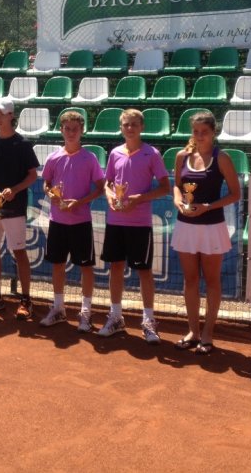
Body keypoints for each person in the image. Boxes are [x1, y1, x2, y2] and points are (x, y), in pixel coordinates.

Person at [171, 112, 241, 355]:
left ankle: (208, 333)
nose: (200, 136)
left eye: (205, 132)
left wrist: (208, 207)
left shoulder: (222, 158)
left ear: (213, 133)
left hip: (212, 227)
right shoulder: (182, 156)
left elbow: (235, 194)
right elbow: (177, 186)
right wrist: (178, 201)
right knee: (190, 280)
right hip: (185, 225)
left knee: (212, 281)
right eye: (196, 131)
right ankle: (193, 331)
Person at [99, 108, 171, 343]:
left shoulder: (152, 154)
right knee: (115, 267)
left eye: (134, 124)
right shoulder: (115, 153)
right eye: (126, 125)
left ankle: (149, 321)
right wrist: (110, 196)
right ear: (121, 128)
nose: (130, 128)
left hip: (140, 223)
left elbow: (165, 188)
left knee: (144, 271)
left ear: (142, 127)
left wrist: (139, 199)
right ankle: (116, 317)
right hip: (115, 221)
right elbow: (108, 183)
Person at [39, 111, 105, 331]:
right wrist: (51, 194)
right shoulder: (53, 158)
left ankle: (85, 312)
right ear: (61, 130)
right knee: (57, 265)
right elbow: (46, 184)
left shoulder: (90, 158)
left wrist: (79, 202)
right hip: (57, 221)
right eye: (67, 128)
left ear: (82, 131)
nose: (71, 132)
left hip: (81, 221)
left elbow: (100, 188)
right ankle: (58, 308)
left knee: (85, 267)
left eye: (75, 129)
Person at [0, 97, 39, 320]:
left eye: (1, 114)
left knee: (19, 253)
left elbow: (32, 175)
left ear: (11, 115)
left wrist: (14, 190)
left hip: (15, 209)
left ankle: (26, 300)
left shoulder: (22, 144)